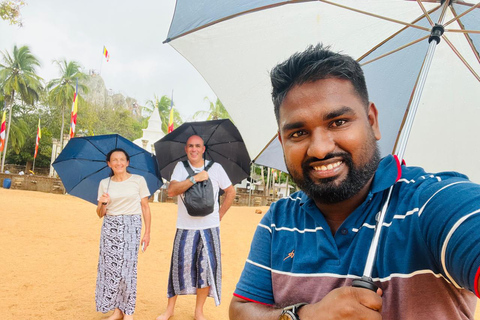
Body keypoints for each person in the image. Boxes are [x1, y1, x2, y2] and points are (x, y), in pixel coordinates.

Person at [229, 44, 480, 320]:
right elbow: (241, 311)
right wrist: (305, 316)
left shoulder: (428, 204)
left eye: (338, 122)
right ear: (282, 141)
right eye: (299, 132)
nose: (320, 149)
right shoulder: (278, 220)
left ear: (372, 121)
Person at [157, 135, 236, 320]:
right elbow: (171, 191)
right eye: (190, 146)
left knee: (206, 269)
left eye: (197, 146)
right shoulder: (180, 168)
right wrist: (195, 178)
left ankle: (198, 311)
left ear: (203, 149)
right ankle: (170, 309)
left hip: (210, 228)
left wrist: (220, 214)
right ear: (186, 149)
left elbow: (230, 191)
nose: (194, 149)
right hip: (185, 226)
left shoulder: (216, 168)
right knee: (178, 266)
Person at [96, 148, 152, 320]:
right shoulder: (105, 183)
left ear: (127, 162)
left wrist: (147, 232)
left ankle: (128, 312)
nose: (118, 163)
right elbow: (100, 213)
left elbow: (145, 207)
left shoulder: (138, 180)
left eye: (122, 159)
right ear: (109, 164)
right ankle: (117, 311)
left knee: (128, 270)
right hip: (110, 227)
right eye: (114, 160)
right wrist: (103, 203)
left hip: (131, 226)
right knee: (111, 270)